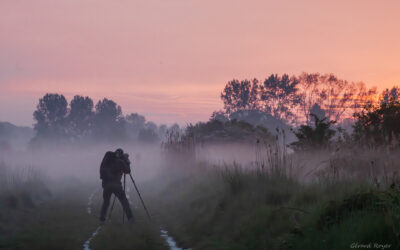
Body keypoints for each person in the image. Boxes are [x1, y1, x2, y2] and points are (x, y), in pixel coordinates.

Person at [99, 148, 134, 224]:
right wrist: (127, 161)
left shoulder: (108, 160)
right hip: (116, 185)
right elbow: (127, 171)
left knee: (106, 202)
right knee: (124, 201)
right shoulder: (120, 162)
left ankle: (101, 220)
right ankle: (130, 219)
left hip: (106, 185)